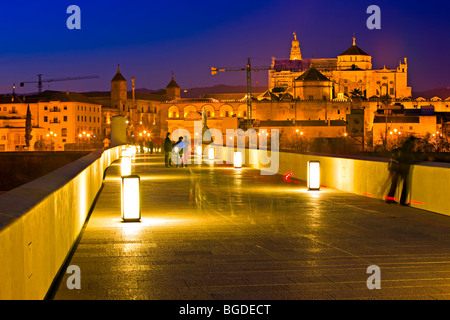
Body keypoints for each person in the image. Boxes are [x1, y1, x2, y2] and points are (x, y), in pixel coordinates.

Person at [386, 136, 416, 206]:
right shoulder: (409, 147)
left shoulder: (401, 148)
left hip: (394, 167)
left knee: (394, 184)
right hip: (402, 167)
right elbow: (411, 157)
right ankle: (402, 201)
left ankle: (389, 199)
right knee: (405, 185)